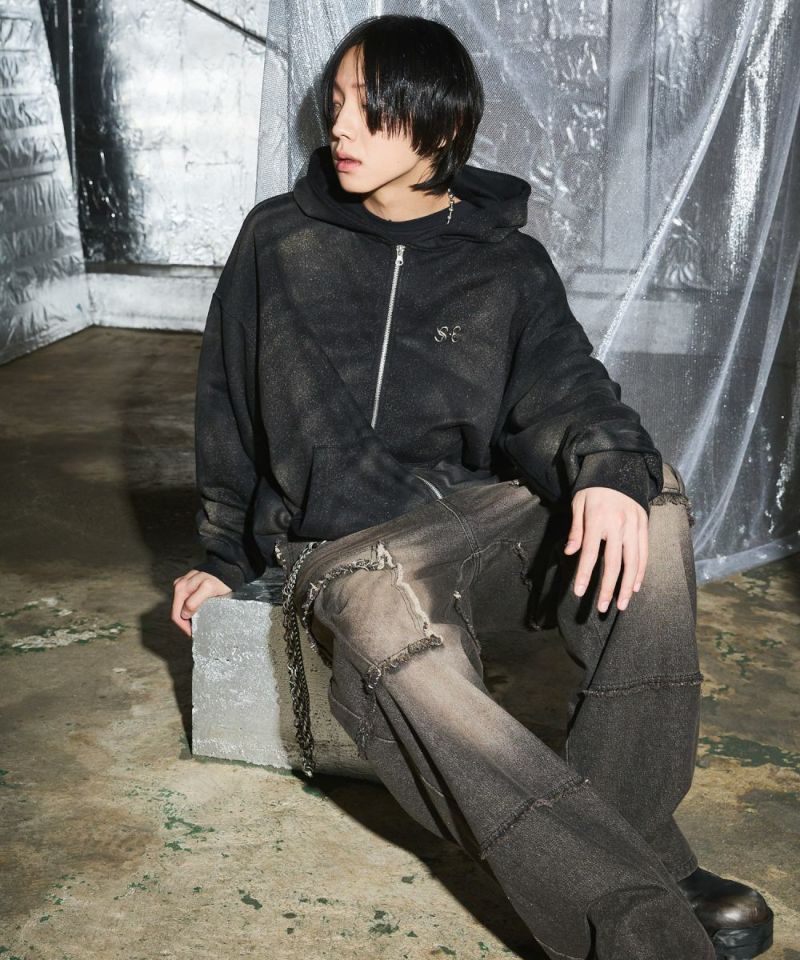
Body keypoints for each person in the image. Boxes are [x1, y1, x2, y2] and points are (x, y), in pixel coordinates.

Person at [171, 14, 774, 960]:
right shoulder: (278, 242)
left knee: (645, 490)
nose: (343, 126)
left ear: (443, 127)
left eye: (374, 108)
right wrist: (222, 554)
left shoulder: (505, 262)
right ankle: (641, 907)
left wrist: (608, 470)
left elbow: (569, 387)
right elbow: (228, 408)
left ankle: (624, 838)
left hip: (478, 525)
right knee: (384, 626)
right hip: (351, 549)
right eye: (338, 102)